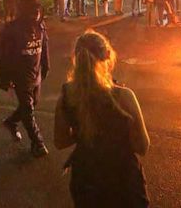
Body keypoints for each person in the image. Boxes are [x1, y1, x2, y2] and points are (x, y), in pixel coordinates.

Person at [54, 30, 150, 207]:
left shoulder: (67, 96)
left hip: (86, 180)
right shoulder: (124, 96)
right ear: (108, 57)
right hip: (124, 181)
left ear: (75, 59)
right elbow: (142, 146)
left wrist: (83, 134)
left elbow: (59, 141)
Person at [0, 0, 50, 157]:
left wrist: (46, 67)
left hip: (36, 74)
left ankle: (11, 122)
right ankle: (38, 142)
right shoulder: (12, 30)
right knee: (28, 110)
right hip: (20, 75)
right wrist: (5, 79)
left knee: (33, 103)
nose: (36, 14)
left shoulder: (40, 26)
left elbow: (44, 46)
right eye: (32, 11)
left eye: (38, 10)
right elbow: (4, 56)